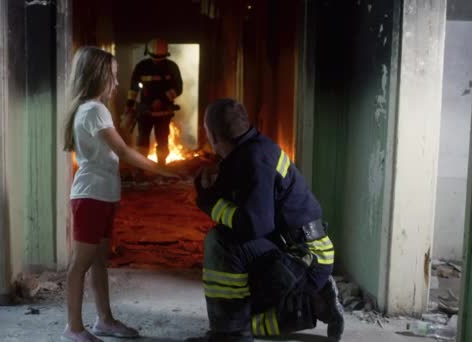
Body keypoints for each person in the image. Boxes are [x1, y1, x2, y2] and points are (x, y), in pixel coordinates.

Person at [187, 99, 345, 342]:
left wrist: (211, 204)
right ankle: (317, 301)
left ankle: (230, 334)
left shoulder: (254, 159)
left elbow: (254, 225)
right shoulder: (250, 150)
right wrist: (212, 189)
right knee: (248, 316)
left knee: (220, 243)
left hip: (304, 259)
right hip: (301, 253)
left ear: (212, 134)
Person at [62, 46, 177, 342]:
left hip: (102, 194)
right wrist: (164, 170)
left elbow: (114, 147)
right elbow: (123, 151)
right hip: (91, 197)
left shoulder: (92, 109)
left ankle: (105, 321)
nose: (116, 83)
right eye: (112, 76)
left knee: (99, 261)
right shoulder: (94, 109)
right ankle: (73, 329)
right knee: (80, 264)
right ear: (96, 76)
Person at [122, 38, 183, 166]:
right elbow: (133, 89)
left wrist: (161, 100)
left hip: (163, 112)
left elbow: (178, 88)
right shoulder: (141, 67)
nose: (157, 61)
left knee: (162, 141)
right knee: (143, 140)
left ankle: (161, 167)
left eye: (160, 58)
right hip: (145, 112)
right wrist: (129, 105)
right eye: (155, 58)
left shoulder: (172, 67)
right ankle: (141, 168)